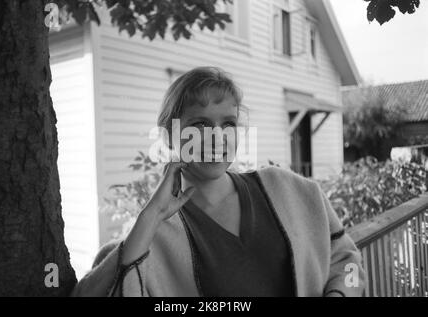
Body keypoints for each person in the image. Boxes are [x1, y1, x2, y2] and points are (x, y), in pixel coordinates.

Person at [71, 67, 365, 297]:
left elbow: (348, 262)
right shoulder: (149, 237)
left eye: (228, 123)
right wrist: (150, 217)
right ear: (168, 136)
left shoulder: (294, 192)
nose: (217, 137)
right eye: (199, 124)